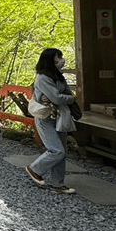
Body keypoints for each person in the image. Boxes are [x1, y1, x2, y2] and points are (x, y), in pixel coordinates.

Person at [26, 48, 78, 195]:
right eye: (59, 57)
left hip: (60, 117)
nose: (62, 60)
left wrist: (65, 96)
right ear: (50, 60)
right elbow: (58, 98)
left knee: (62, 152)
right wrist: (71, 99)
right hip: (45, 119)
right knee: (57, 150)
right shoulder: (42, 78)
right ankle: (35, 169)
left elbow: (64, 93)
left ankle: (57, 184)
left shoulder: (58, 75)